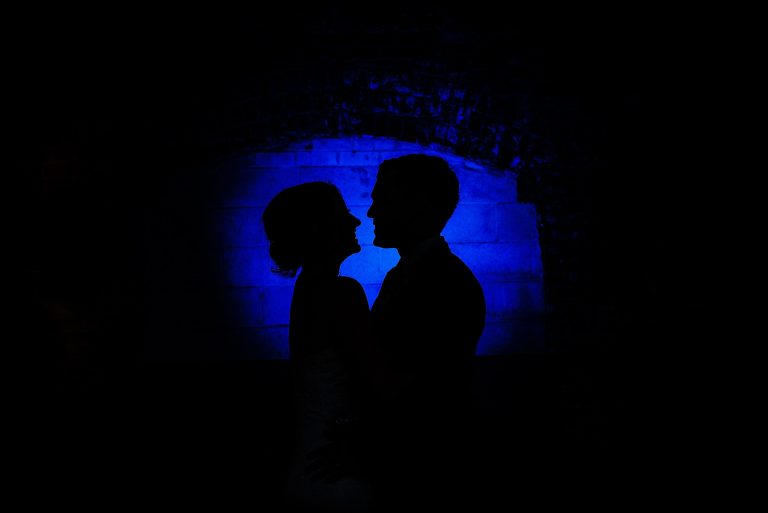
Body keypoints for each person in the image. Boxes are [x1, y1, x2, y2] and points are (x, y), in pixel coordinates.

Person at [364, 154, 486, 508]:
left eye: (381, 199)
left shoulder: (443, 281)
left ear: (418, 205)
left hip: (424, 468)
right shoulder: (417, 274)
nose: (372, 212)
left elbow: (422, 387)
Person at [262, 181, 374, 512]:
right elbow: (373, 381)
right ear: (318, 228)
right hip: (337, 469)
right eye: (344, 215)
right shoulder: (341, 292)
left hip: (310, 460)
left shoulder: (309, 289)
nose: (356, 221)